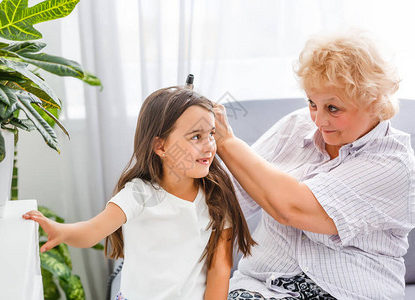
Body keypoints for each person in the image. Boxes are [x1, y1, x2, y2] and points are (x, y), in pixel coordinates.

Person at [214, 31, 415, 299]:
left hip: (348, 293)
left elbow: (292, 207)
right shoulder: (295, 126)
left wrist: (226, 141)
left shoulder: (393, 165)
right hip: (263, 287)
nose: (318, 120)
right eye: (312, 103)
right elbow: (229, 196)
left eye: (333, 108)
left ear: (374, 102)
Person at [23, 86, 256, 300]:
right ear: (161, 146)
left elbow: (220, 269)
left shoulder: (217, 198)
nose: (209, 146)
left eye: (212, 134)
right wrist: (61, 231)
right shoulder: (138, 194)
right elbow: (93, 231)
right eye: (196, 136)